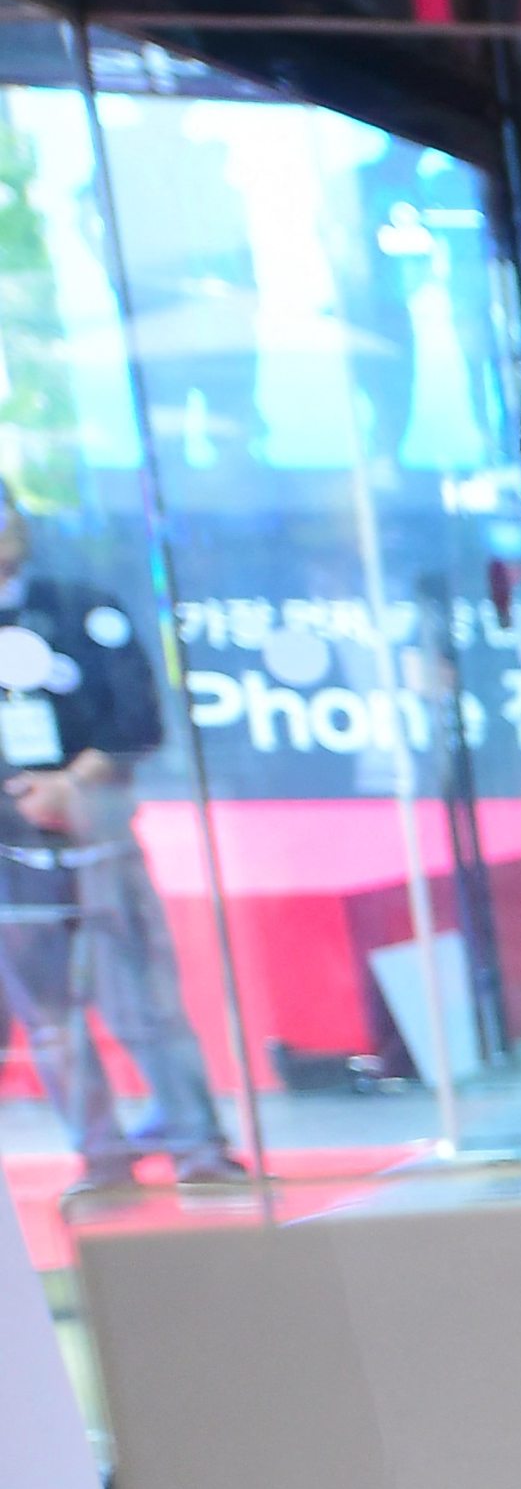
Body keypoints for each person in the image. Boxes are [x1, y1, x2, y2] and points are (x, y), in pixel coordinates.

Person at [0, 480, 237, 1193]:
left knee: (144, 1001)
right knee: (50, 1020)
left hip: (96, 832)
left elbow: (138, 716)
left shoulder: (81, 607)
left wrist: (77, 782)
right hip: (11, 852)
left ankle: (199, 1146)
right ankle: (101, 1158)